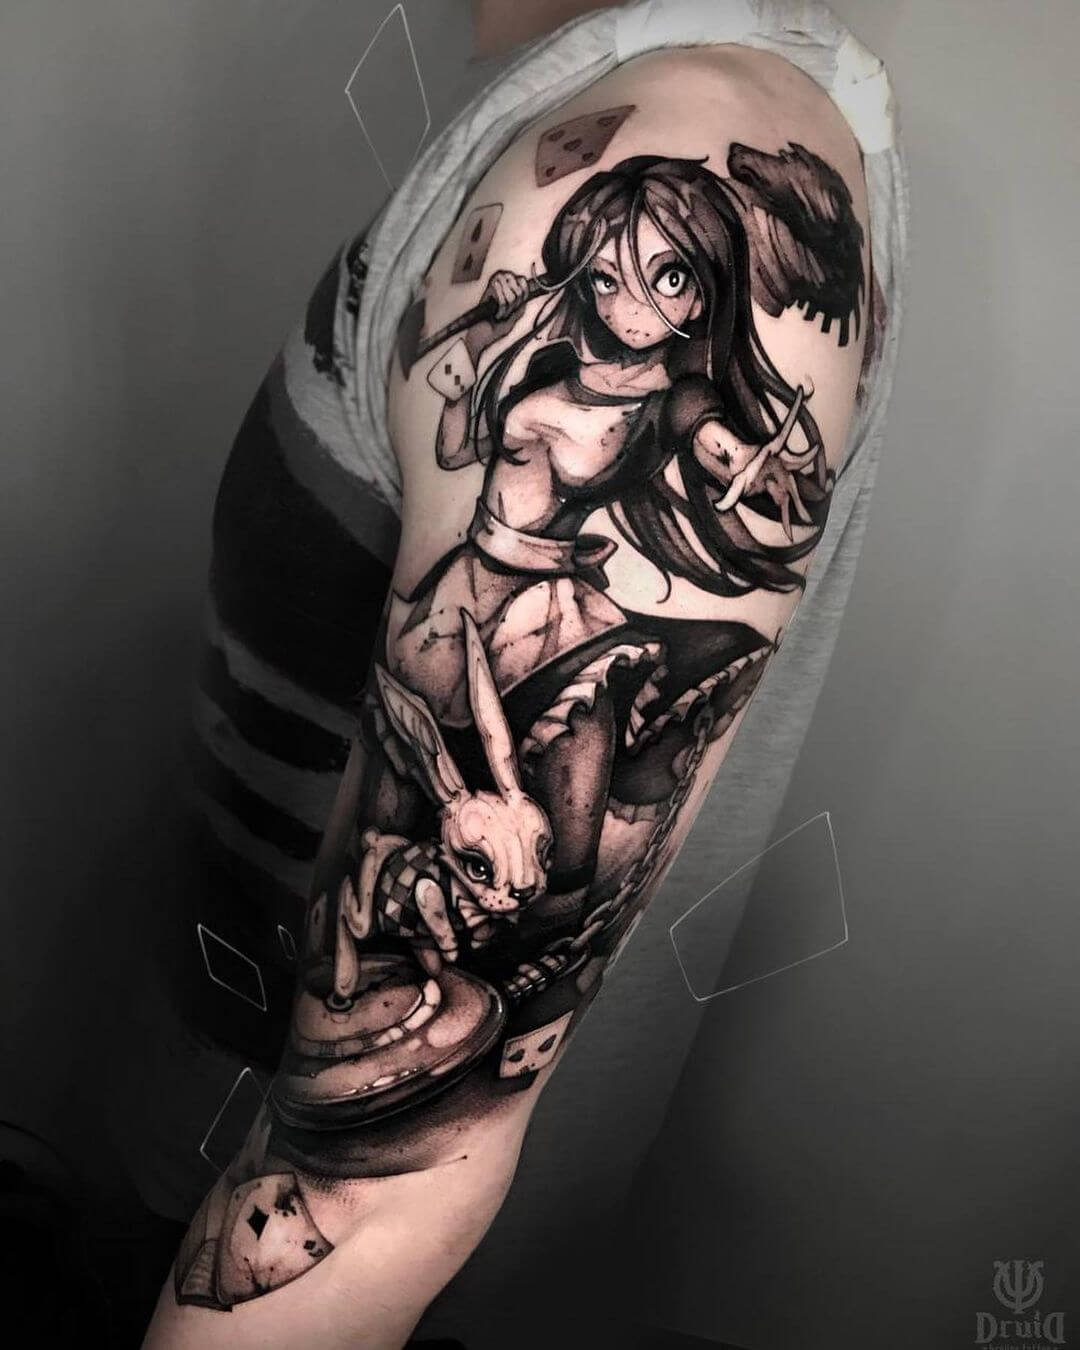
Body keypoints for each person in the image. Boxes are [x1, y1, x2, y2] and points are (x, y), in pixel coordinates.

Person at [137, 2, 907, 1346]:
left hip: (316, 1238)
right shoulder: (580, 176)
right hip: (236, 1025)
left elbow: (367, 1190)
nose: (634, 303)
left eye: (674, 284)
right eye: (617, 274)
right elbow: (459, 451)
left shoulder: (701, 125)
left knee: (511, 832)